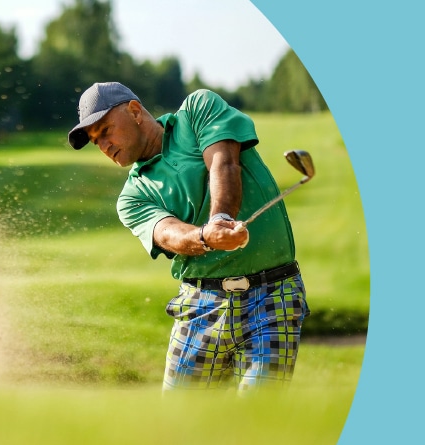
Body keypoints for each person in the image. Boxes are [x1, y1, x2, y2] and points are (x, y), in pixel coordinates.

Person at [67, 82, 310, 391]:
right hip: (200, 304)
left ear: (134, 111)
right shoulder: (131, 197)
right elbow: (168, 233)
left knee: (258, 414)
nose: (103, 145)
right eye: (94, 141)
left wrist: (220, 218)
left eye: (105, 131)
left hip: (273, 295)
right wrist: (206, 237)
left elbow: (224, 161)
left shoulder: (198, 110)